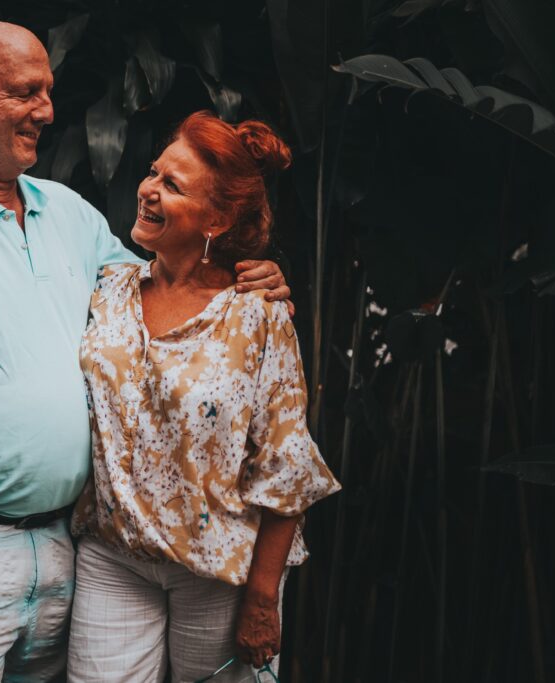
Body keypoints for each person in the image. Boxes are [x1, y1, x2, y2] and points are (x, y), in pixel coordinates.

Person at [0, 21, 292, 682]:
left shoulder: (70, 215)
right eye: (25, 92)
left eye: (47, 91)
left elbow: (164, 294)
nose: (48, 112)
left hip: (68, 549)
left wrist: (245, 276)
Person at [66, 112, 341, 683]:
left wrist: (263, 601)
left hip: (221, 574)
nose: (148, 190)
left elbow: (285, 468)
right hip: (114, 557)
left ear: (216, 218)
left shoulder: (257, 314)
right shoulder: (109, 289)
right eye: (153, 173)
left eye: (172, 185)